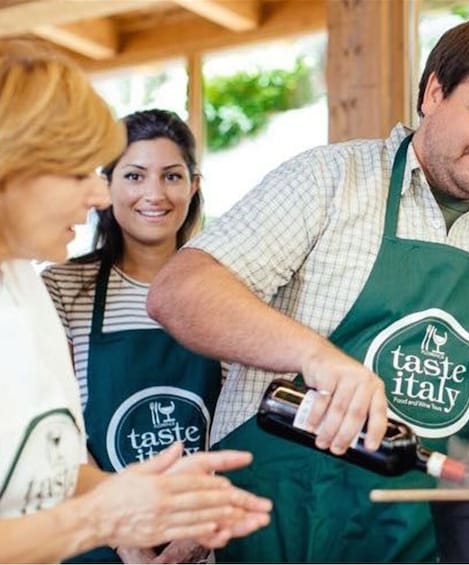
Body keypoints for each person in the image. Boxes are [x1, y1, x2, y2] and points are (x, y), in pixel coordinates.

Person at [148, 12, 469, 563]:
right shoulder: (328, 183)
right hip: (274, 534)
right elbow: (179, 292)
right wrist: (315, 357)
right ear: (433, 92)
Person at [0, 39, 271, 563]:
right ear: (13, 165)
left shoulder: (23, 288)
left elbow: (44, 467)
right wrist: (105, 519)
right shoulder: (59, 288)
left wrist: (155, 504)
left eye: (172, 176)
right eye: (80, 172)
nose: (102, 197)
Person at [41, 109, 223, 564]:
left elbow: (239, 419)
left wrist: (197, 534)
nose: (154, 194)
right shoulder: (63, 288)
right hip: (96, 530)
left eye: (172, 176)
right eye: (135, 176)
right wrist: (127, 538)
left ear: (194, 186)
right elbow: (54, 430)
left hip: (202, 529)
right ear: (107, 187)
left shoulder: (226, 289)